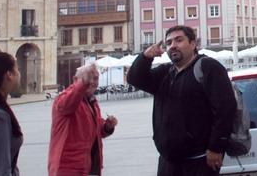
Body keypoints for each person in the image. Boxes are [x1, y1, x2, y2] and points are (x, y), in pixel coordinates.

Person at [128, 25, 237, 176]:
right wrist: (146, 57)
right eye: (169, 43)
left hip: (199, 161)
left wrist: (216, 147)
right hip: (168, 162)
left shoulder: (208, 67)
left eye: (179, 40)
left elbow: (226, 109)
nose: (173, 45)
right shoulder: (165, 72)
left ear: (193, 44)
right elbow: (135, 79)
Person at [48, 61, 118, 176]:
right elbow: (69, 103)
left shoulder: (91, 102)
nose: (92, 82)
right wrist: (83, 84)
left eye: (95, 78)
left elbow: (98, 131)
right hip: (67, 168)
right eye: (87, 78)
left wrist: (107, 127)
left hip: (87, 167)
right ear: (75, 79)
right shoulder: (64, 98)